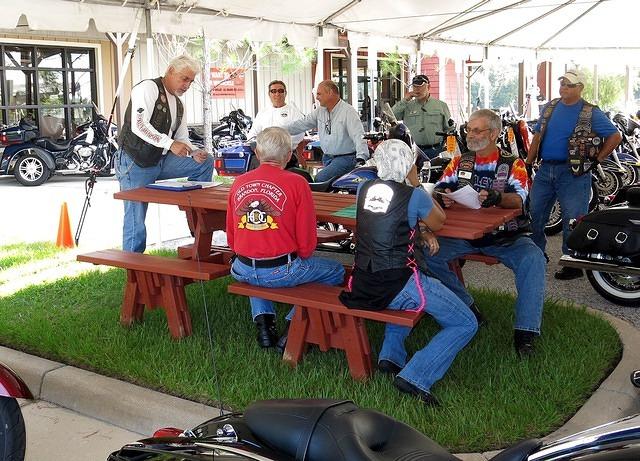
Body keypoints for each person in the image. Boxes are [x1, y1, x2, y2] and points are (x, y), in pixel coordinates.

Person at [339, 139, 477, 406]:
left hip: (364, 281)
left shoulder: (364, 189)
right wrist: (415, 184)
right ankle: (416, 376)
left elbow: (391, 219)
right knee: (465, 322)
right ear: (408, 165)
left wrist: (421, 231)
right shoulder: (414, 194)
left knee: (407, 296)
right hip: (398, 283)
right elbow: (439, 220)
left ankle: (391, 356)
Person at [427, 109, 546, 357]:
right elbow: (439, 188)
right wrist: (442, 197)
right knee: (426, 252)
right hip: (465, 237)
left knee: (533, 260)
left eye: (476, 130)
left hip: (506, 238)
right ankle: (468, 308)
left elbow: (519, 200)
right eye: (468, 129)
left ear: (493, 133)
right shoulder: (460, 161)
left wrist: (497, 198)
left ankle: (525, 333)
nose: (470, 134)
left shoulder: (514, 164)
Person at [226, 127, 345, 349]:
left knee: (254, 270)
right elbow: (307, 243)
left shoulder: (239, 182)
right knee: (337, 270)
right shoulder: (297, 183)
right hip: (280, 270)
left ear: (258, 154)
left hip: (241, 268)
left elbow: (231, 238)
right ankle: (294, 324)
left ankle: (264, 325)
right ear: (289, 156)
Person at [527, 70, 622, 280]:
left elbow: (615, 136)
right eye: (562, 83)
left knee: (573, 218)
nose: (564, 88)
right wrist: (527, 162)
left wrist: (597, 160)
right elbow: (537, 135)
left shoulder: (591, 112)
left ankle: (573, 263)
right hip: (545, 169)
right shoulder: (551, 107)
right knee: (535, 212)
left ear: (580, 88)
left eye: (569, 85)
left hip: (574, 173)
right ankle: (535, 255)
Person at [116, 54, 213, 253]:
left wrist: (193, 152)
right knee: (136, 216)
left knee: (204, 162)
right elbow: (139, 125)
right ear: (170, 71)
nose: (187, 85)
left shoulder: (178, 104)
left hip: (159, 160)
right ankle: (134, 267)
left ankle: (197, 227)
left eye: (191, 81)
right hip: (135, 161)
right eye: (184, 78)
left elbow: (182, 137)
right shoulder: (148, 88)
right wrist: (169, 144)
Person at [285, 80, 369, 182]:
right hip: (327, 158)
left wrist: (361, 158)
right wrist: (277, 131)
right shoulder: (320, 111)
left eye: (319, 94)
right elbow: (301, 124)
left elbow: (358, 136)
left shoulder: (348, 112)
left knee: (320, 179)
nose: (316, 97)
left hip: (346, 159)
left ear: (330, 93)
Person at [392, 74, 451, 162]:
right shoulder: (407, 106)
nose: (417, 89)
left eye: (420, 86)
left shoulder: (441, 106)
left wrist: (449, 151)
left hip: (435, 151)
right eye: (414, 86)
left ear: (429, 86)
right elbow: (392, 116)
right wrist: (404, 100)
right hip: (413, 151)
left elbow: (449, 130)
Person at [247, 80, 305, 149]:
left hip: (286, 153)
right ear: (269, 94)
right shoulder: (262, 113)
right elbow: (253, 133)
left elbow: (300, 133)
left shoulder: (294, 112)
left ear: (285, 93)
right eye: (273, 91)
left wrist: (280, 145)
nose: (277, 94)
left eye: (280, 91)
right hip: (264, 153)